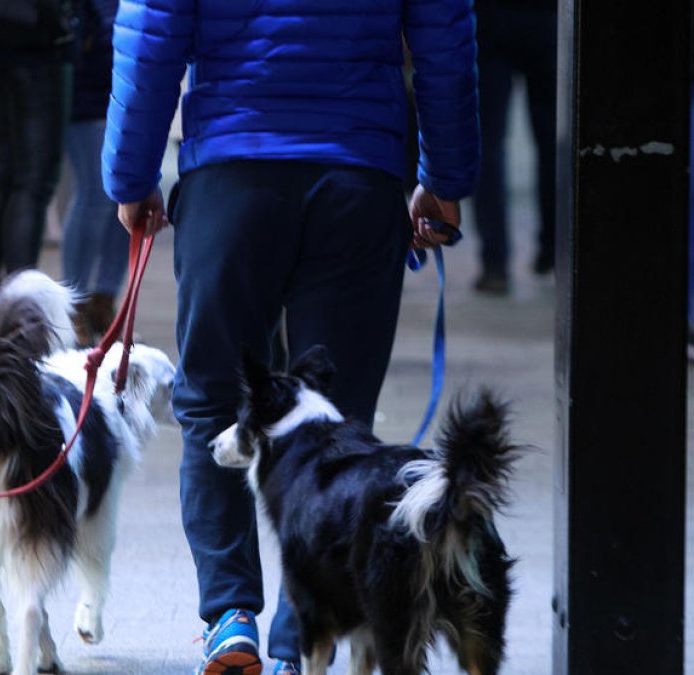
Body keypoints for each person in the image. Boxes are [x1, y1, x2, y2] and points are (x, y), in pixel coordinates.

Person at [101, 2, 479, 674]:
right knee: (339, 423)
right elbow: (444, 32)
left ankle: (229, 617)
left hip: (232, 176)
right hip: (358, 175)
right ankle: (297, 645)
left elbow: (152, 29)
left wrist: (130, 177)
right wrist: (445, 179)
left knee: (215, 402)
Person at [0, 0, 76, 359]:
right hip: (35, 35)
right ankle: (16, 321)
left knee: (1, 176)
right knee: (32, 183)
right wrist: (63, 20)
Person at [472, 0, 558, 295]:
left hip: (491, 19)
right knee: (552, 143)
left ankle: (495, 264)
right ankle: (554, 249)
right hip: (551, 18)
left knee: (488, 146)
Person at [61, 0, 127, 346]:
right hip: (88, 89)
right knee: (95, 194)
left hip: (126, 86)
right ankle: (73, 305)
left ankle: (104, 300)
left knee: (129, 191)